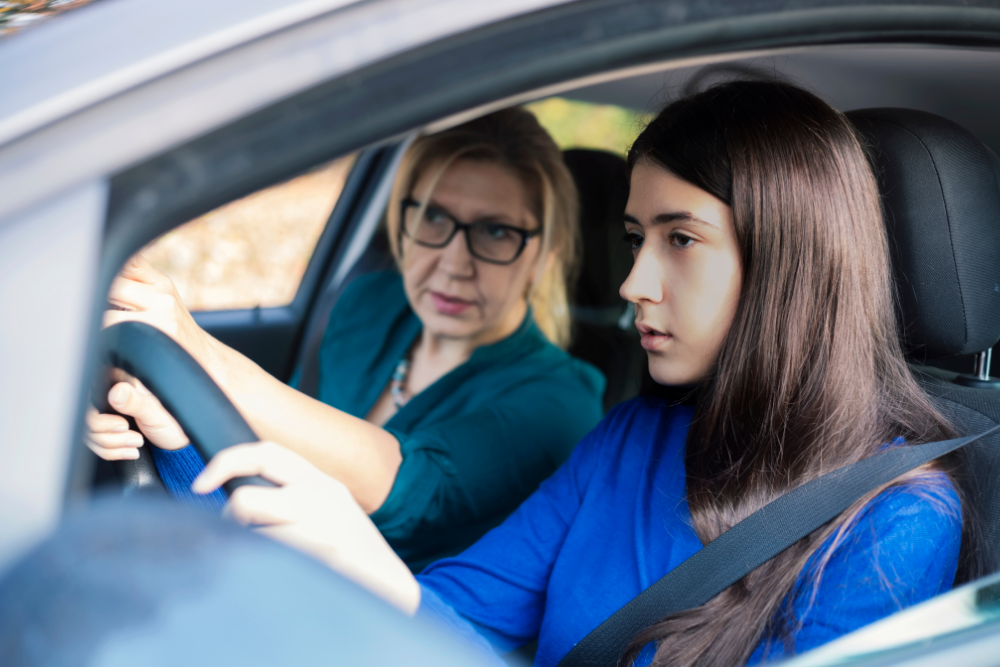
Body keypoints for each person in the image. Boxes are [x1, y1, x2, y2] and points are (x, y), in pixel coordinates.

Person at [185, 80, 982, 667]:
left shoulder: (895, 518)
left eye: (681, 239)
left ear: (788, 261)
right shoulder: (631, 437)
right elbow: (462, 610)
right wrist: (182, 429)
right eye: (637, 237)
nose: (634, 280)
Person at [86, 108, 606, 571]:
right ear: (403, 220)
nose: (453, 264)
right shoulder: (370, 305)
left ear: (546, 252)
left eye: (495, 231)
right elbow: (267, 457)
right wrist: (146, 415)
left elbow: (410, 488)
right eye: (434, 217)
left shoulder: (561, 404)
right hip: (260, 564)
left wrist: (198, 353)